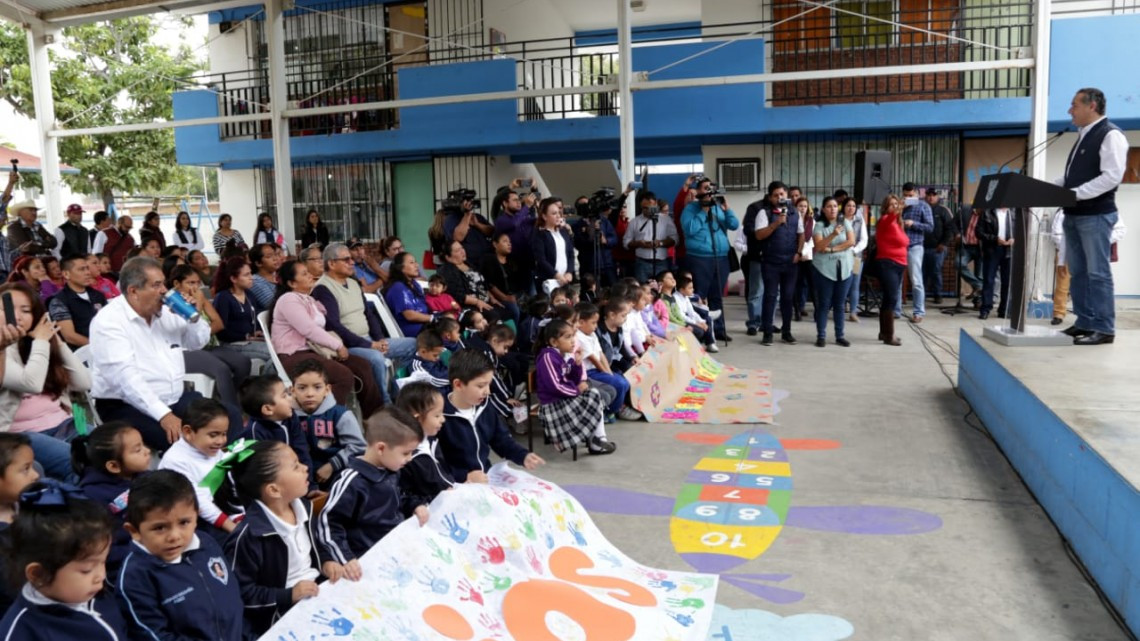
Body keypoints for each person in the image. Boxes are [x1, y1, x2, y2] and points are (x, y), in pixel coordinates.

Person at [88, 257, 234, 452]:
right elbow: (125, 380)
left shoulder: (166, 312)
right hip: (126, 404)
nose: (165, 291)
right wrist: (164, 415)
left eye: (163, 284)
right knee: (184, 441)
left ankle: (220, 464)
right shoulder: (109, 322)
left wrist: (193, 316)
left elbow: (197, 343)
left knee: (229, 417)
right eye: (156, 285)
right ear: (133, 291)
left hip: (174, 398)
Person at [119, 470, 244, 641]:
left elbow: (234, 600)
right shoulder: (135, 576)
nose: (175, 536)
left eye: (184, 522)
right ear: (134, 531)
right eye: (159, 528)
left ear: (196, 516)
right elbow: (154, 635)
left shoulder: (206, 542)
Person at [0, 480, 128, 641]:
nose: (101, 576)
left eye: (103, 562)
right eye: (86, 570)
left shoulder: (96, 594)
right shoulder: (22, 632)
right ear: (38, 574)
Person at [219, 440, 322, 636]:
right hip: (281, 616)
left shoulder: (304, 507)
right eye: (296, 466)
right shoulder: (248, 537)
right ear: (274, 490)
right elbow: (242, 594)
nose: (305, 468)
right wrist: (288, 595)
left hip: (318, 594)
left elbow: (319, 548)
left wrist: (329, 562)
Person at [316, 408, 429, 582]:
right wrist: (346, 558)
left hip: (394, 550)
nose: (410, 458)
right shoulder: (352, 482)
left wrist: (415, 505)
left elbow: (399, 497)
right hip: (366, 560)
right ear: (381, 448)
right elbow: (328, 523)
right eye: (406, 453)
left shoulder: (390, 469)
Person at [1053, 88, 1127, 345]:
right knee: (1079, 273)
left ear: (1092, 106)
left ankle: (1104, 328)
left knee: (1098, 273)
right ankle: (1084, 322)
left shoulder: (1110, 134)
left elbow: (1112, 176)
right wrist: (1048, 188)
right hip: (1074, 214)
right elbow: (1072, 177)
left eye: (1074, 105)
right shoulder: (1083, 135)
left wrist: (1074, 194)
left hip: (1095, 215)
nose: (1070, 110)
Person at [269, 260, 383, 417]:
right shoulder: (288, 299)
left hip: (314, 351)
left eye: (308, 272)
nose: (310, 275)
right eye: (304, 274)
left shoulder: (307, 298)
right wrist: (338, 346)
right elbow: (309, 329)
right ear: (292, 283)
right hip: (294, 355)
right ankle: (326, 420)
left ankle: (375, 417)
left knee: (362, 365)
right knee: (343, 376)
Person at [0, 283, 89, 482]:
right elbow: (32, 384)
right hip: (23, 434)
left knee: (109, 448)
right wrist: (41, 341)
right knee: (76, 463)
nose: (18, 316)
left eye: (26, 310)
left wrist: (55, 340)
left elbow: (83, 383)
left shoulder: (37, 342)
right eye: (7, 309)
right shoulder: (3, 351)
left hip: (67, 421)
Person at [312, 242, 418, 404]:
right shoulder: (323, 288)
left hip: (370, 340)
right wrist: (369, 345)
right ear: (331, 264)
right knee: (376, 358)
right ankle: (384, 403)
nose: (352, 262)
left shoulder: (353, 283)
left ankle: (398, 393)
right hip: (348, 345)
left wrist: (379, 339)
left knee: (413, 345)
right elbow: (333, 325)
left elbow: (368, 314)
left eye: (351, 259)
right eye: (346, 259)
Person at [438, 349, 544, 482]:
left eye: (489, 384)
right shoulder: (438, 416)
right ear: (458, 384)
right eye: (481, 386)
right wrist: (463, 476)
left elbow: (500, 439)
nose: (487, 391)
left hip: (485, 479)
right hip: (454, 486)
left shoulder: (485, 406)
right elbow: (433, 463)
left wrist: (522, 455)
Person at [168, 265, 253, 417]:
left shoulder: (198, 297)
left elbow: (218, 324)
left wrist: (204, 328)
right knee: (220, 368)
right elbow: (185, 335)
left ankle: (229, 399)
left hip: (206, 344)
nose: (195, 287)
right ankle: (232, 414)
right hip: (183, 351)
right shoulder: (172, 303)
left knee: (243, 362)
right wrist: (198, 307)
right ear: (176, 284)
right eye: (190, 283)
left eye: (197, 283)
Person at [72, 421, 151, 574]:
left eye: (143, 445)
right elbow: (102, 549)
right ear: (114, 466)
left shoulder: (145, 476)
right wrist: (145, 549)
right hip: (128, 563)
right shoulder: (92, 496)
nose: (147, 451)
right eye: (138, 450)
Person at [156, 398, 242, 536]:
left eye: (224, 434)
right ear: (188, 432)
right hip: (194, 521)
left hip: (220, 512)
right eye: (213, 435)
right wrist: (232, 527)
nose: (221, 441)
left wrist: (238, 516)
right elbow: (198, 502)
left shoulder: (211, 449)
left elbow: (228, 484)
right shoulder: (175, 461)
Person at [534, 320, 615, 455]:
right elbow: (556, 387)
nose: (573, 341)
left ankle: (597, 439)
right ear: (554, 342)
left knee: (594, 394)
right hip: (552, 406)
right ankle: (596, 441)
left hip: (563, 400)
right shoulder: (548, 357)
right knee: (593, 395)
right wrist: (577, 390)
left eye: (573, 336)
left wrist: (577, 364)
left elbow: (573, 380)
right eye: (567, 337)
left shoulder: (562, 355)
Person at [291, 359, 365, 486]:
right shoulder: (289, 417)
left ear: (327, 389)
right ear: (293, 391)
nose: (309, 394)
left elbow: (359, 447)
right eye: (302, 388)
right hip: (302, 479)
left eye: (317, 387)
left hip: (338, 476)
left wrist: (331, 466)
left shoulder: (340, 415)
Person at [680, 180, 738, 340]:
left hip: (721, 257)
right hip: (699, 258)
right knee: (698, 296)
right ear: (698, 191)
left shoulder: (718, 207)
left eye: (711, 188)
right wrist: (703, 211)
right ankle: (700, 331)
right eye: (706, 188)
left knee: (717, 296)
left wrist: (727, 209)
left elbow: (734, 225)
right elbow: (690, 230)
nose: (709, 191)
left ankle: (719, 330)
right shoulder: (690, 209)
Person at [752, 181, 802, 346]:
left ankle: (786, 332)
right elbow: (759, 235)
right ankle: (767, 333)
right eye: (776, 195)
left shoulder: (795, 212)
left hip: (790, 262)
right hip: (771, 262)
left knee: (787, 298)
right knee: (770, 297)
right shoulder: (764, 213)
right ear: (770, 197)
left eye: (782, 194)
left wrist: (798, 252)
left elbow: (801, 234)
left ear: (787, 195)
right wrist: (776, 223)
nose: (779, 197)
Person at [241, 375, 316, 480]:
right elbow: (265, 471)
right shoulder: (255, 432)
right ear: (268, 409)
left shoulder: (291, 417)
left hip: (296, 475)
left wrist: (309, 482)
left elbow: (301, 450)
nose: (291, 398)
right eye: (284, 396)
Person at [578, 303, 642, 422]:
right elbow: (594, 359)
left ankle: (613, 409)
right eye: (593, 323)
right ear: (581, 322)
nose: (595, 326)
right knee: (620, 383)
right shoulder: (579, 336)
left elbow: (601, 354)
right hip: (589, 373)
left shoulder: (592, 334)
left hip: (598, 370)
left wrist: (609, 373)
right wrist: (606, 373)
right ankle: (611, 410)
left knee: (624, 382)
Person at [394, 383, 454, 510]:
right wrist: (434, 500)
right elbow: (404, 496)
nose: (443, 419)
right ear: (417, 419)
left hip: (449, 503)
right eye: (437, 415)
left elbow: (445, 476)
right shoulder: (406, 457)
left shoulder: (432, 441)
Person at [210, 257, 274, 367]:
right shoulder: (223, 298)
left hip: (250, 340)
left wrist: (257, 332)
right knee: (274, 354)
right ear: (233, 279)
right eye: (246, 275)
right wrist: (246, 336)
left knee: (281, 350)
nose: (251, 278)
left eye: (250, 273)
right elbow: (221, 332)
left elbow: (256, 316)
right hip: (232, 344)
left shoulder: (249, 294)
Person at [810, 197, 855, 347]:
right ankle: (821, 335)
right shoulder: (819, 225)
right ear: (823, 209)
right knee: (824, 303)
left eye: (835, 206)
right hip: (824, 269)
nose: (833, 209)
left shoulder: (845, 222)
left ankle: (839, 335)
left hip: (845, 267)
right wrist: (833, 235)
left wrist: (832, 249)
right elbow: (819, 246)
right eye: (829, 206)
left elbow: (851, 241)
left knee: (840, 304)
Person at [48, 254, 108, 350]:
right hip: (81, 353)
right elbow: (69, 336)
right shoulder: (58, 301)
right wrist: (99, 347)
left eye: (87, 268)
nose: (87, 272)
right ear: (66, 274)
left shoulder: (98, 295)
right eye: (81, 269)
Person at [875, 194, 909, 346]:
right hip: (888, 264)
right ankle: (889, 335)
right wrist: (899, 208)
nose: (895, 206)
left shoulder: (897, 223)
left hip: (899, 264)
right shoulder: (885, 220)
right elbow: (890, 218)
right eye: (892, 204)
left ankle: (884, 332)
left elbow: (905, 241)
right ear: (885, 207)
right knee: (892, 298)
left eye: (896, 204)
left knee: (888, 299)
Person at [897, 183, 934, 323]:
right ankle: (896, 310)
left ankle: (918, 312)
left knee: (916, 280)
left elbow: (930, 227)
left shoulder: (924, 206)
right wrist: (900, 210)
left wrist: (913, 223)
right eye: (905, 195)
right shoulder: (899, 206)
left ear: (917, 194)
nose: (908, 198)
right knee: (897, 280)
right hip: (899, 246)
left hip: (915, 246)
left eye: (910, 196)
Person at [623, 191, 677, 284]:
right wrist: (639, 243)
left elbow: (675, 239)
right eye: (644, 208)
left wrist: (660, 243)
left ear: (655, 204)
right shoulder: (635, 222)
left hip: (661, 262)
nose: (647, 210)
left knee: (662, 288)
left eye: (650, 207)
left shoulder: (666, 220)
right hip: (642, 263)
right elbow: (626, 242)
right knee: (643, 288)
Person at [437, 240, 496, 317]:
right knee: (493, 315)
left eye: (462, 248)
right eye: (457, 250)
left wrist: (492, 298)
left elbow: (482, 282)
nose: (462, 251)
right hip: (470, 306)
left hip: (485, 300)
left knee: (507, 307)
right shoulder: (447, 271)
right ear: (448, 257)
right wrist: (477, 302)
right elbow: (459, 296)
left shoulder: (468, 264)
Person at [491, 187, 536, 282]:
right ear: (505, 203)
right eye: (515, 200)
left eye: (519, 200)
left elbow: (537, 222)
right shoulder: (501, 220)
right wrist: (527, 206)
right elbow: (514, 223)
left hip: (528, 263)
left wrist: (541, 208)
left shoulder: (522, 217)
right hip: (512, 265)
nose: (519, 202)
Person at [383, 252, 433, 337]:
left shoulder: (414, 284)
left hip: (425, 324)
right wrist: (432, 318)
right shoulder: (398, 287)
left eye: (415, 262)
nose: (417, 265)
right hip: (414, 330)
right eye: (411, 262)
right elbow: (410, 315)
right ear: (401, 268)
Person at [977, 208, 1014, 321]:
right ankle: (985, 309)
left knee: (1007, 281)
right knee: (989, 280)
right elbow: (979, 232)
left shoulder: (1013, 213)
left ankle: (1004, 310)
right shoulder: (987, 212)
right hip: (992, 249)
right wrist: (994, 239)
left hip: (1009, 250)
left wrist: (1014, 239)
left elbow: (1021, 230)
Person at [444, 190, 495, 268]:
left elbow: (491, 232)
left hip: (486, 261)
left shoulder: (477, 216)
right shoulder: (451, 219)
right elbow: (458, 237)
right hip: (469, 263)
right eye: (465, 201)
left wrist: (477, 224)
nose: (469, 203)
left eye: (470, 200)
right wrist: (467, 214)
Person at [534, 197, 576, 292]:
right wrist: (556, 275)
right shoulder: (539, 234)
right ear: (544, 216)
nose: (558, 216)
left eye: (558, 213)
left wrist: (569, 272)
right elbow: (541, 260)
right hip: (548, 280)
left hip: (565, 279)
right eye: (554, 214)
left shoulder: (564, 231)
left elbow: (570, 254)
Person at [573, 204, 619, 288]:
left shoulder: (603, 221)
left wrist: (606, 240)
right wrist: (588, 232)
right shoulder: (578, 224)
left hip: (606, 263)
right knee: (590, 290)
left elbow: (614, 239)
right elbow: (577, 243)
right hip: (588, 264)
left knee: (613, 289)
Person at [922, 188, 955, 305]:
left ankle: (938, 295)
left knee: (936, 271)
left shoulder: (943, 210)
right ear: (925, 196)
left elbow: (950, 229)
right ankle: (921, 295)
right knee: (922, 272)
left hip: (938, 248)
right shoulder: (921, 209)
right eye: (929, 195)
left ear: (937, 197)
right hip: (922, 247)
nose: (931, 197)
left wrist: (944, 244)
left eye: (934, 195)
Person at [843, 198, 868, 322]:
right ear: (844, 207)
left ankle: (853, 312)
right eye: (848, 205)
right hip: (840, 256)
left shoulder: (859, 219)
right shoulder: (839, 220)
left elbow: (864, 239)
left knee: (854, 284)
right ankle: (840, 308)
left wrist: (854, 250)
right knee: (842, 283)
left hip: (856, 257)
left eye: (853, 206)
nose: (851, 208)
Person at [249, 243, 282, 311]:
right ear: (258, 263)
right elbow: (274, 306)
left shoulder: (280, 276)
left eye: (275, 254)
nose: (275, 258)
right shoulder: (256, 282)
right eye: (269, 256)